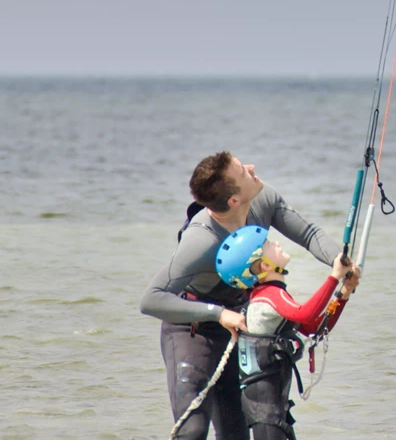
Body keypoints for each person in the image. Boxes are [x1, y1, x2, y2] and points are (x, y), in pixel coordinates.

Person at [139, 151, 361, 439]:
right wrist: (217, 314)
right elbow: (152, 299)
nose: (252, 168)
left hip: (240, 329)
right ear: (233, 200)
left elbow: (309, 234)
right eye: (243, 172)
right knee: (192, 430)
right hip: (191, 330)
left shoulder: (263, 198)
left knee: (236, 433)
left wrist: (341, 263)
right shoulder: (200, 240)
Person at [216, 225, 355, 439]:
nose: (277, 243)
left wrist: (343, 294)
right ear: (265, 265)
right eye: (269, 244)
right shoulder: (271, 295)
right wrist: (334, 276)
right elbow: (306, 314)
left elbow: (313, 328)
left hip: (270, 408)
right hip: (266, 410)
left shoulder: (269, 294)